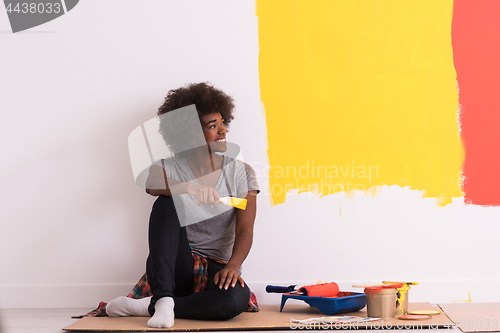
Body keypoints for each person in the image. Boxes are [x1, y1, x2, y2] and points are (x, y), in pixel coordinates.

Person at [105, 82, 259, 328]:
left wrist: (233, 265)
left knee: (234, 300)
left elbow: (245, 230)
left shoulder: (242, 172)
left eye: (222, 123)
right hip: (177, 267)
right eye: (212, 126)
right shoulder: (169, 166)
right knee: (167, 200)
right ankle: (165, 297)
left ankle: (152, 306)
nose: (222, 131)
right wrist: (188, 187)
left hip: (216, 267)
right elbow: (151, 184)